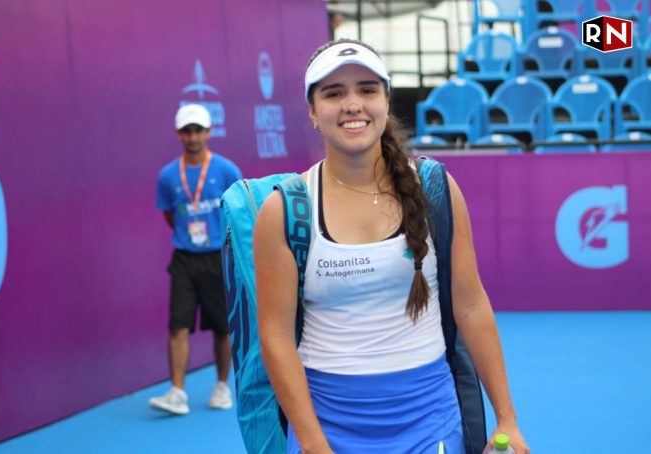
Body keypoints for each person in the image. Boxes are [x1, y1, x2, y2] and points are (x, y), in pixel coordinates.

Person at [253, 39, 530, 453]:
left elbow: (471, 306)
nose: (353, 105)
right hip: (327, 427)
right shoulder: (285, 210)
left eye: (367, 90)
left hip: (430, 421)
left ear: (385, 100)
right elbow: (275, 336)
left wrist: (507, 419)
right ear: (312, 111)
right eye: (334, 93)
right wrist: (312, 443)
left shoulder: (435, 189)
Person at [150, 103, 242, 415]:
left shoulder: (226, 170)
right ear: (179, 134)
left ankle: (222, 386)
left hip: (218, 258)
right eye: (187, 131)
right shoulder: (167, 175)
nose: (193, 137)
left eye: (198, 131)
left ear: (209, 132)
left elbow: (238, 212)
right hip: (184, 260)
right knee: (178, 325)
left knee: (222, 327)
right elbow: (170, 215)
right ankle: (177, 392)